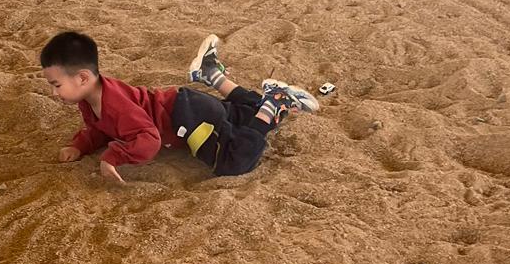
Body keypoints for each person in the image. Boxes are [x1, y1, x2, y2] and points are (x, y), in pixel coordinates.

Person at [40, 32, 318, 181]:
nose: (54, 92)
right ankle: (213, 75)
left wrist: (113, 157)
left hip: (190, 120)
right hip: (188, 106)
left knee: (233, 161)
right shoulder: (92, 97)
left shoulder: (114, 104)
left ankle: (274, 103)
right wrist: (80, 145)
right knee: (243, 117)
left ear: (83, 78)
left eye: (56, 84)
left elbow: (149, 140)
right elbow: (102, 129)